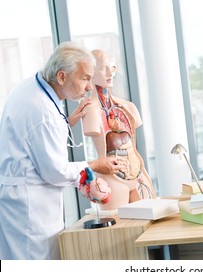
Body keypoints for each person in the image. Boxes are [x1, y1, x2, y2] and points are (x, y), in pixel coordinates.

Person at [0, 42, 122, 260]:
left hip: (18, 200)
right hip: (31, 209)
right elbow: (55, 172)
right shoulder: (42, 112)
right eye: (85, 78)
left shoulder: (31, 88)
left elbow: (33, 138)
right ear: (62, 77)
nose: (88, 87)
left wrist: (66, 121)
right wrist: (94, 165)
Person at [82, 49, 156, 211]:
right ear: (91, 73)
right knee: (119, 230)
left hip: (138, 175)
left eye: (112, 67)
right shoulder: (91, 110)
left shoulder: (128, 107)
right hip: (112, 179)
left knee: (152, 225)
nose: (110, 72)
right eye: (103, 68)